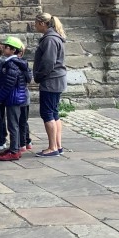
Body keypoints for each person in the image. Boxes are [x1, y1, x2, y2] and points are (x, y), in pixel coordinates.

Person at [33, 13, 68, 157]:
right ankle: (57, 146)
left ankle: (52, 147)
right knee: (54, 113)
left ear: (42, 23)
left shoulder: (50, 39)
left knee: (47, 113)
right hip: (56, 80)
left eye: (36, 23)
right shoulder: (53, 37)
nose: (35, 26)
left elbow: (48, 62)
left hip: (51, 81)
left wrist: (39, 76)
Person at [0, 36, 32, 162]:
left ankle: (14, 151)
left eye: (6, 47)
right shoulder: (20, 63)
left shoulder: (11, 64)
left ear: (13, 50)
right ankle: (15, 147)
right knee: (18, 124)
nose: (4, 49)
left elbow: (8, 85)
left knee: (13, 125)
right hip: (20, 97)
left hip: (13, 99)